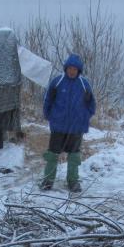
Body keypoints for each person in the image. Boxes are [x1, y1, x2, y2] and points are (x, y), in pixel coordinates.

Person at [41, 53, 96, 193]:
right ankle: (48, 181)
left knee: (74, 156)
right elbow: (48, 100)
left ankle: (73, 181)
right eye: (70, 68)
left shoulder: (84, 84)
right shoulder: (57, 82)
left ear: (79, 71)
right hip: (58, 126)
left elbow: (92, 105)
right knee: (52, 154)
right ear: (66, 68)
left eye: (75, 69)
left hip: (76, 128)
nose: (72, 71)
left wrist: (84, 117)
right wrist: (50, 116)